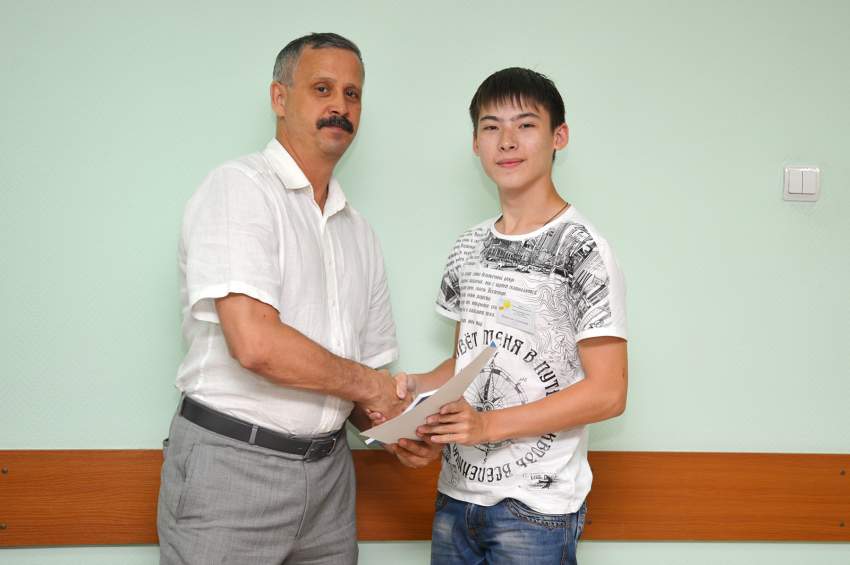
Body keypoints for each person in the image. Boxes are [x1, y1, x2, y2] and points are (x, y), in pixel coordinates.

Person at [156, 33, 409, 565]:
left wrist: (397, 432)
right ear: (279, 97)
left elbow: (363, 380)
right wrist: (373, 387)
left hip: (331, 480)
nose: (340, 106)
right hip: (231, 470)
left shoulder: (359, 233)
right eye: (322, 89)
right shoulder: (238, 189)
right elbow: (255, 344)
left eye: (352, 94)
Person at [395, 67, 629, 565]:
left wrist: (486, 426)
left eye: (525, 125)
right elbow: (466, 363)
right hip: (455, 497)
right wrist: (414, 389)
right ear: (475, 143)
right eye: (490, 126)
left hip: (536, 512)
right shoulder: (467, 247)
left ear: (558, 136)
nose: (506, 141)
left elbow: (609, 392)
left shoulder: (584, 249)